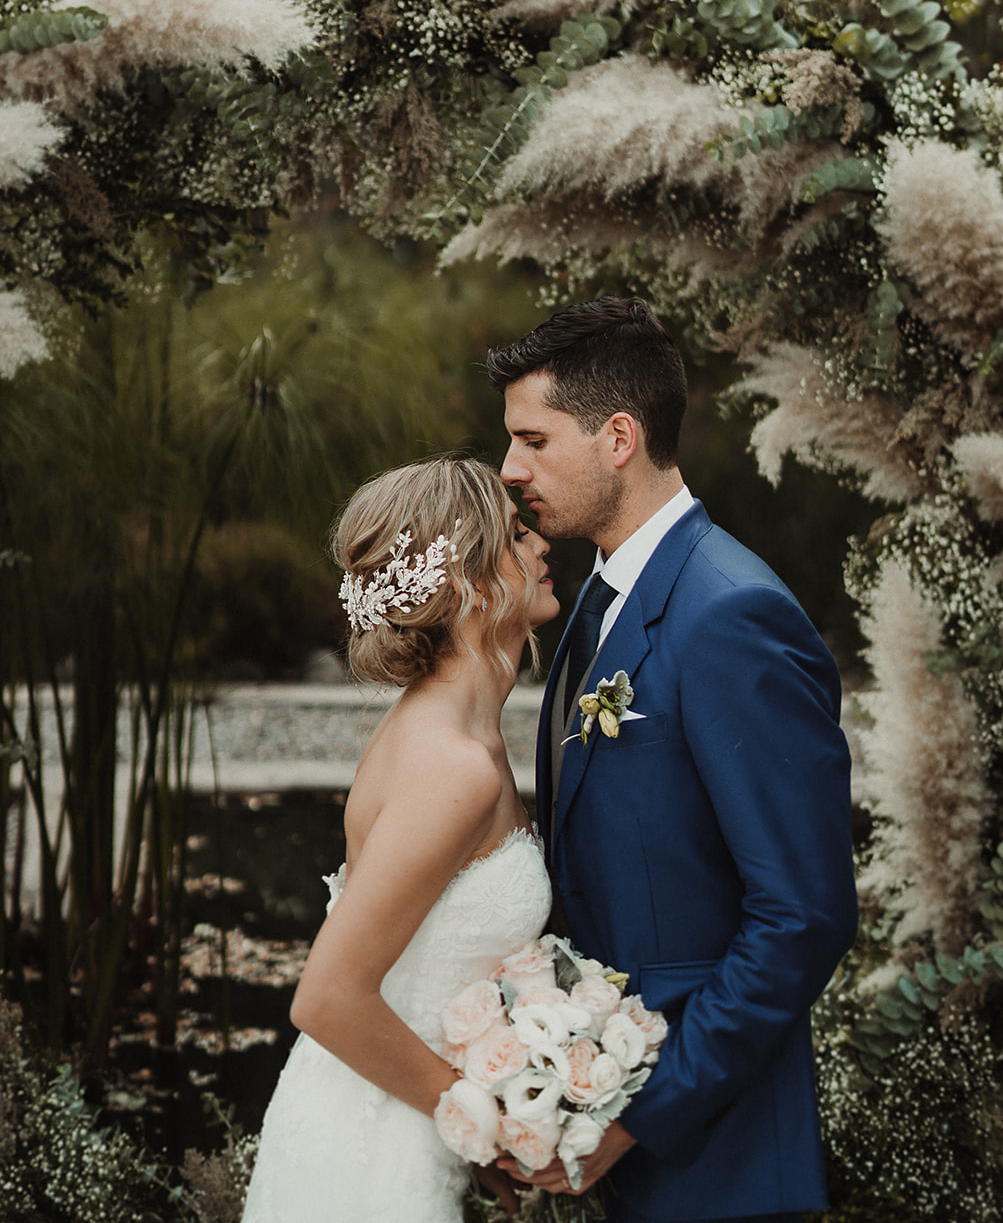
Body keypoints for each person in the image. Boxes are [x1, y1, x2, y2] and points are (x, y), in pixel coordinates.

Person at [488, 296, 858, 1223]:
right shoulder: (599, 598)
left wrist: (638, 1115)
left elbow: (801, 918)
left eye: (533, 440)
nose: (509, 468)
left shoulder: (732, 616)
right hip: (615, 1142)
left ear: (618, 436)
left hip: (718, 1161)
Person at [240, 456, 558, 1223]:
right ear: (470, 583)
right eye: (518, 536)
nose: (543, 544)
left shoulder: (461, 731)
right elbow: (327, 998)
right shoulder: (448, 763)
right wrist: (486, 1125)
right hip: (371, 1154)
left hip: (398, 1116)